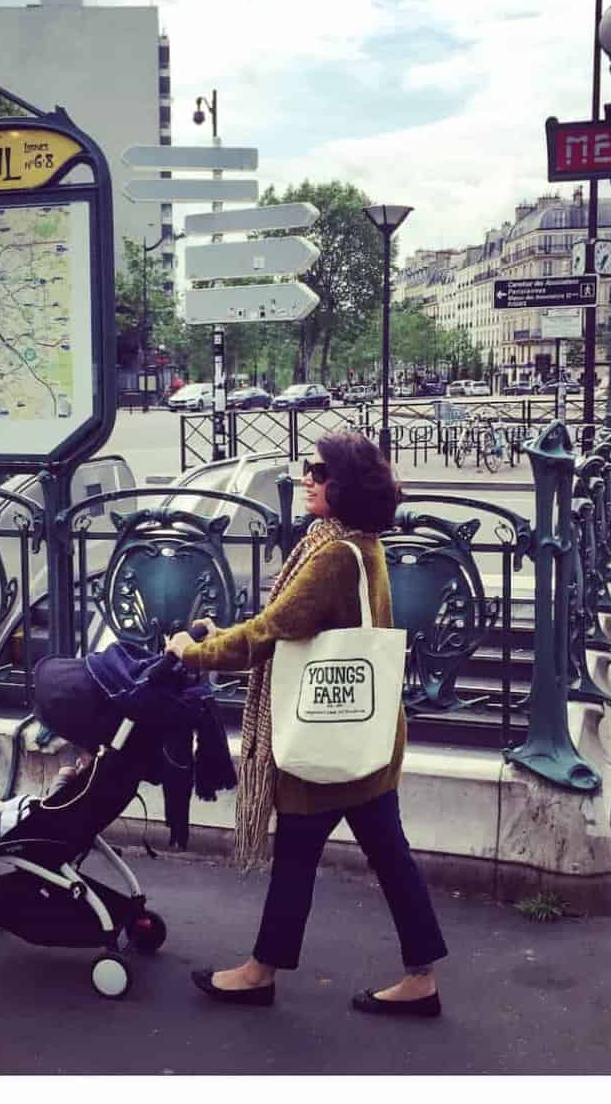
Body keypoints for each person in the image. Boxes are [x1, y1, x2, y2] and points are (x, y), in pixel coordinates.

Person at [173, 430, 447, 1017]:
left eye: (317, 472)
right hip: (366, 738)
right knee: (385, 856)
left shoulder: (329, 556)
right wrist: (225, 631)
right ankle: (417, 978)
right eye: (307, 468)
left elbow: (270, 633)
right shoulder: (359, 542)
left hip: (322, 739)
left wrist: (192, 651)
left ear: (341, 486)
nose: (306, 477)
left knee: (303, 855)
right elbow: (286, 619)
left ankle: (260, 973)